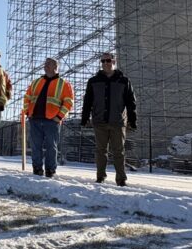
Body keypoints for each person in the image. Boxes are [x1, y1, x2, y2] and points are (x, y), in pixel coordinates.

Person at [82, 52, 137, 186]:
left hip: (117, 122)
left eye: (108, 60)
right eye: (103, 61)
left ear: (114, 61)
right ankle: (100, 176)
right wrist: (84, 118)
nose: (105, 63)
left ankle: (121, 179)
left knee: (119, 151)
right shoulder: (94, 81)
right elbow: (87, 101)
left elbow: (131, 102)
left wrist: (132, 120)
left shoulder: (123, 80)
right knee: (101, 151)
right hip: (99, 121)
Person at [21, 57, 75, 177]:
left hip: (52, 120)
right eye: (45, 64)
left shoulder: (64, 84)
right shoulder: (36, 82)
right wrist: (27, 112)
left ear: (56, 67)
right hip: (35, 119)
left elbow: (69, 102)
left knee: (51, 146)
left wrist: (59, 117)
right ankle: (37, 169)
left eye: (49, 64)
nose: (45, 66)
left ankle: (50, 170)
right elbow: (27, 97)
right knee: (36, 146)